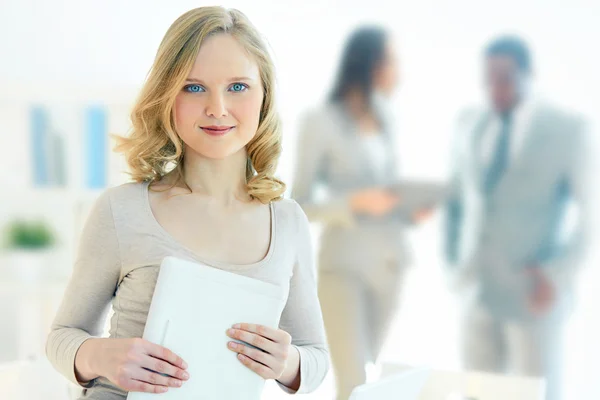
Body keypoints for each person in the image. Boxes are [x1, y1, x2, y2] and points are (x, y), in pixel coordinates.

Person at [46, 7, 329, 399]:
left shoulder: (287, 221)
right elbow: (62, 336)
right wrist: (100, 356)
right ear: (167, 96)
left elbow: (316, 357)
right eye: (193, 87)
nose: (217, 108)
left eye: (238, 87)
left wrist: (287, 363)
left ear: (264, 96)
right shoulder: (122, 210)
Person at [445, 36, 594, 400]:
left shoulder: (566, 130)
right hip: (477, 292)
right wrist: (453, 263)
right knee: (477, 394)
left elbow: (592, 212)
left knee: (536, 394)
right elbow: (456, 201)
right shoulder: (471, 124)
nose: (495, 87)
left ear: (529, 75)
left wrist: (557, 275)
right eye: (489, 77)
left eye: (505, 77)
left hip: (532, 296)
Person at [291, 26, 430, 400]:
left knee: (374, 377)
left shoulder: (388, 120)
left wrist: (408, 211)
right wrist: (353, 204)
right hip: (345, 268)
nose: (397, 71)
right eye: (392, 61)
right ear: (370, 64)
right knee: (353, 381)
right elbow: (298, 205)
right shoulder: (320, 122)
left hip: (391, 265)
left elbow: (387, 190)